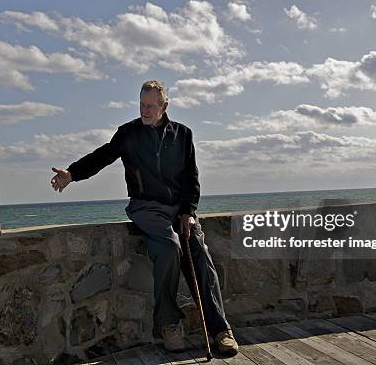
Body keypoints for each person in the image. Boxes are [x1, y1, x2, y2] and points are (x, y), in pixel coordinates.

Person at [50, 80, 238, 356]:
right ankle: (169, 323)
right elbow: (102, 156)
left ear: (164, 106)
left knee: (199, 252)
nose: (145, 110)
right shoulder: (128, 133)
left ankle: (221, 329)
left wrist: (188, 211)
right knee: (169, 247)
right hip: (145, 207)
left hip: (178, 209)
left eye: (151, 106)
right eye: (142, 105)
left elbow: (191, 177)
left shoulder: (183, 135)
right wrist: (71, 173)